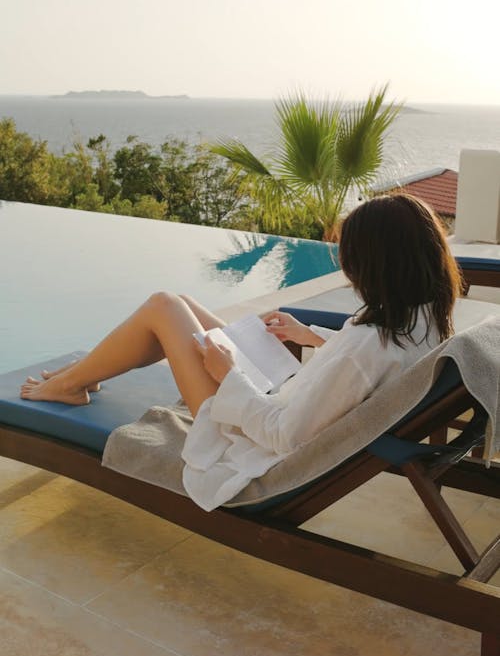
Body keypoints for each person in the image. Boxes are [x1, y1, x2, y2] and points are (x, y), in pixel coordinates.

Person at [20, 194, 463, 510]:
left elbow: (284, 436)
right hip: (281, 396)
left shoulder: (367, 347)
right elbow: (367, 371)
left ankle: (68, 385)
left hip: (247, 436)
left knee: (165, 307)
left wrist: (228, 374)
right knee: (185, 308)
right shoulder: (423, 318)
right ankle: (81, 376)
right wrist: (310, 336)